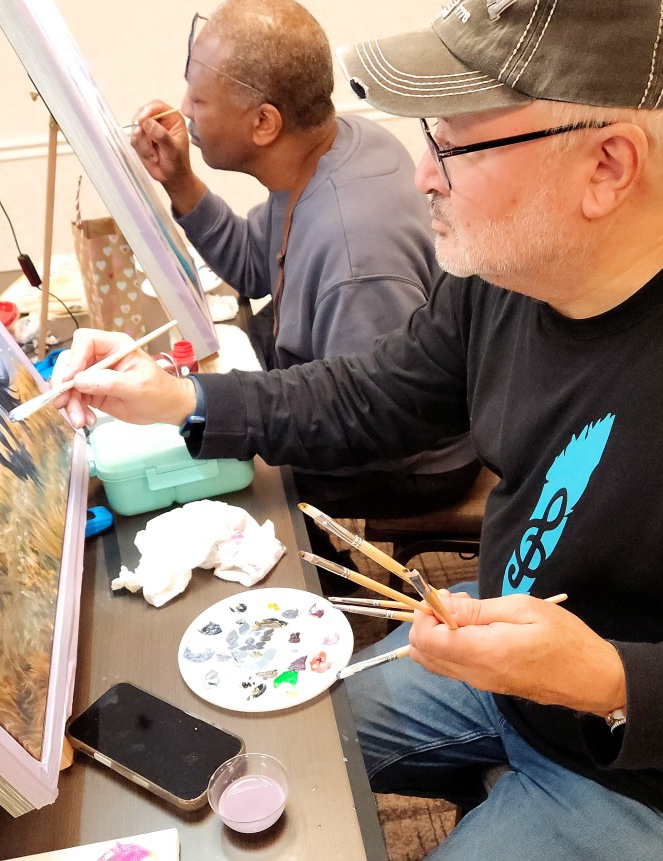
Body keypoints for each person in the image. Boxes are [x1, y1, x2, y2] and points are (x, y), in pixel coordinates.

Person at [55, 0, 663, 861]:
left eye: (455, 141)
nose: (422, 173)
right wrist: (182, 398)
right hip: (518, 658)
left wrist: (610, 680)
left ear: (607, 165)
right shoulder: (517, 261)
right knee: (246, 740)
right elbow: (383, 391)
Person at [126, 0, 479, 584]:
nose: (183, 109)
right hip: (360, 413)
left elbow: (361, 423)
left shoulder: (353, 249)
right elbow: (254, 266)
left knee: (232, 486)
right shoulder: (334, 147)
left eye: (200, 99)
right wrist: (181, 181)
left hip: (413, 460)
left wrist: (213, 414)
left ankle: (327, 590)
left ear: (264, 123)